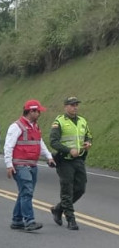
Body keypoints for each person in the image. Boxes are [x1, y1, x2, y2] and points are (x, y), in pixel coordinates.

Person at [3, 99, 57, 232]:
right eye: (37, 111)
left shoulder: (35, 126)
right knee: (27, 192)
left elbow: (40, 143)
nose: (39, 113)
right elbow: (8, 146)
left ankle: (17, 220)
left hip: (32, 165)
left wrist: (49, 157)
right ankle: (29, 221)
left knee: (24, 193)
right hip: (20, 165)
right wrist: (9, 165)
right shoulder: (16, 126)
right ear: (31, 111)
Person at [48, 96, 92, 230]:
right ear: (66, 107)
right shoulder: (59, 122)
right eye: (72, 105)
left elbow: (88, 135)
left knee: (80, 188)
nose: (75, 107)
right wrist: (68, 150)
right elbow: (53, 141)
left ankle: (58, 208)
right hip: (65, 160)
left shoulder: (82, 121)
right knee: (67, 190)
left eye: (76, 105)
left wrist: (88, 142)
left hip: (78, 159)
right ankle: (70, 219)